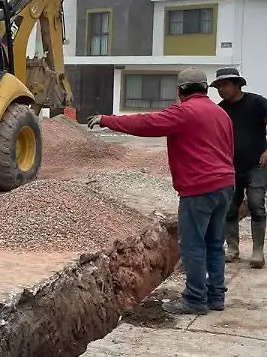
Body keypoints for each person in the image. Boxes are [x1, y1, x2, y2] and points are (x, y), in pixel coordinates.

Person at [88, 68, 236, 315]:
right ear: (204, 88)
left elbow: (146, 123)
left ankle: (195, 300)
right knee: (214, 243)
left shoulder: (185, 112)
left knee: (193, 245)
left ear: (181, 91)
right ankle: (216, 296)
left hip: (199, 189)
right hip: (224, 186)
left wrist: (107, 120)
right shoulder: (221, 114)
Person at [211, 67, 267, 268]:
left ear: (237, 84)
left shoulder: (257, 103)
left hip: (256, 165)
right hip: (230, 167)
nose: (221, 89)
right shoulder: (220, 109)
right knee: (229, 208)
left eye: (225, 85)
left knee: (256, 204)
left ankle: (258, 250)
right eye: (218, 86)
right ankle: (232, 248)